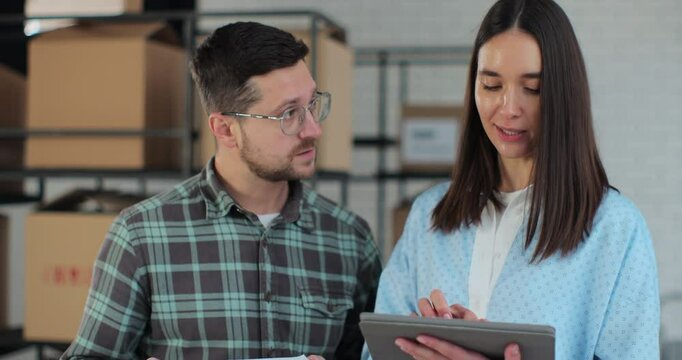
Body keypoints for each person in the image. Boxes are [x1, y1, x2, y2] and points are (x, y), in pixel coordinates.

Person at [62, 21, 382, 359]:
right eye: (289, 114)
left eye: (312, 103)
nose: (313, 129)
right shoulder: (142, 236)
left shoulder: (350, 238)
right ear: (226, 129)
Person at [364, 0, 660, 359]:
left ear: (565, 94)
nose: (508, 108)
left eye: (532, 89)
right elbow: (375, 352)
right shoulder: (429, 215)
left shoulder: (614, 229)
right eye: (491, 85)